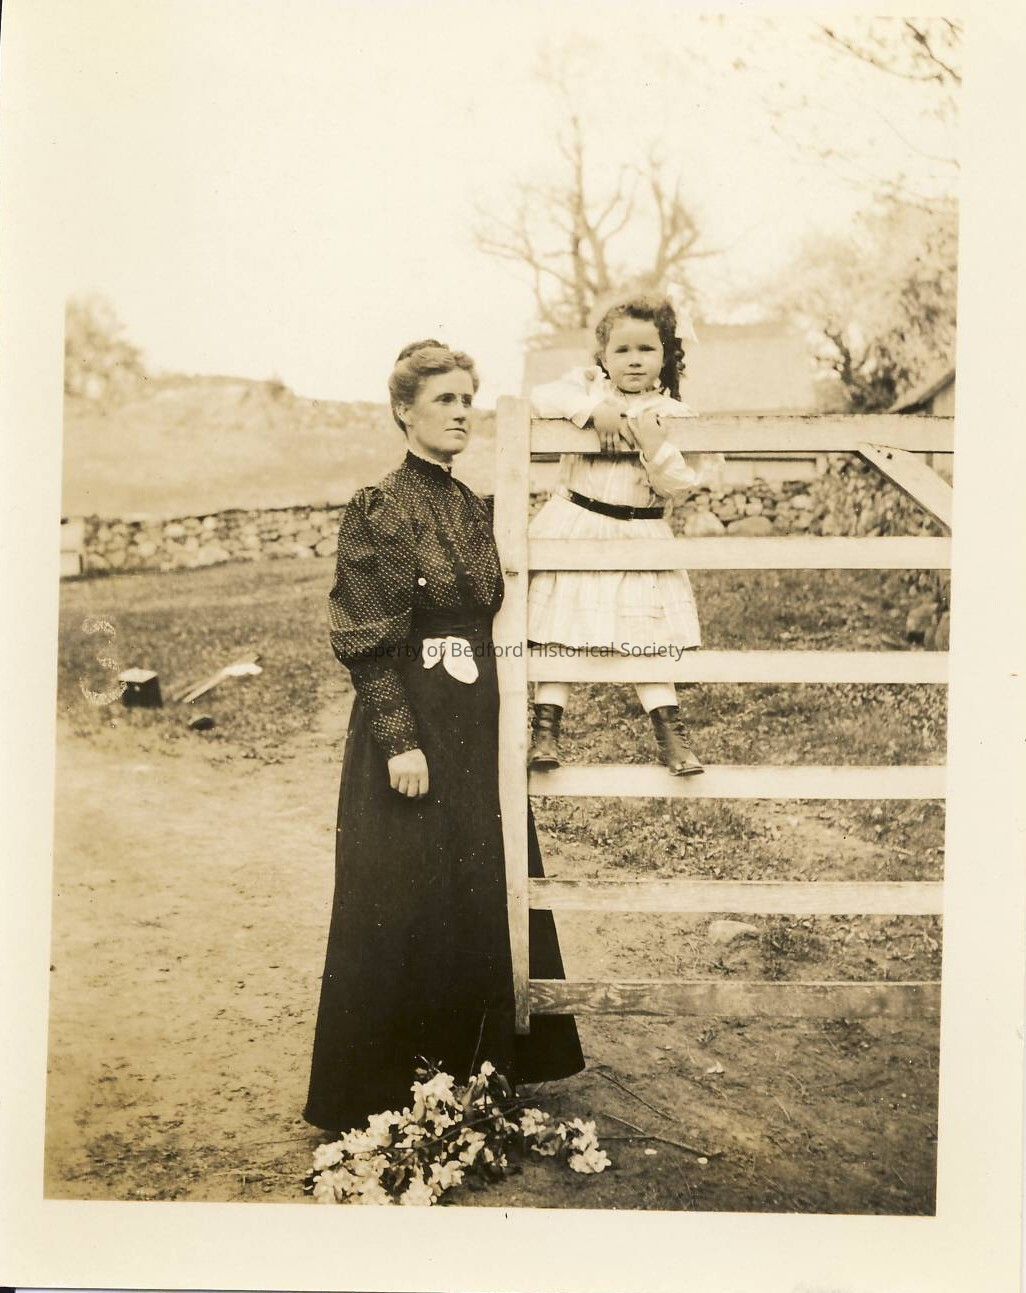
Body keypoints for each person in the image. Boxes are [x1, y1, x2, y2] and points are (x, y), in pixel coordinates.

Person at [304, 340, 584, 1135]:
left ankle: (482, 1069)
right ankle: (386, 1083)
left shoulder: (474, 506)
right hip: (412, 725)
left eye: (468, 400)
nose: (462, 413)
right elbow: (366, 636)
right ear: (404, 410)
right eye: (444, 401)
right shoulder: (379, 508)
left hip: (475, 723)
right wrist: (399, 739)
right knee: (405, 893)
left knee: (480, 883)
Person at [527, 293, 723, 776]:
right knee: (559, 629)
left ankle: (671, 735)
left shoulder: (674, 413)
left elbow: (680, 485)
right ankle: (545, 731)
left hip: (639, 529)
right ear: (603, 356)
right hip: (577, 523)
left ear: (665, 354)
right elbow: (540, 397)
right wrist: (595, 410)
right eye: (622, 350)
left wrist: (657, 449)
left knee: (646, 632)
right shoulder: (587, 388)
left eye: (646, 349)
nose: (634, 360)